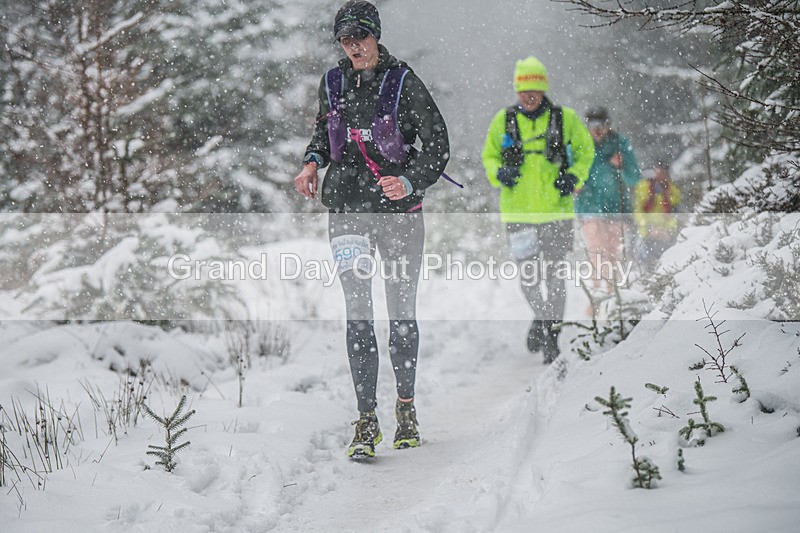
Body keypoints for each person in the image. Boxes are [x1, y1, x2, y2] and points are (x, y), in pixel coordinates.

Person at [293, 1, 449, 459]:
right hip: (346, 211)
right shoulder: (332, 82)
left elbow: (438, 143)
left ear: (375, 36)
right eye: (345, 39)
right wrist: (311, 163)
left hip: (399, 212)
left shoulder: (403, 82)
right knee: (358, 314)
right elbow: (324, 133)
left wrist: (409, 179)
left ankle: (405, 408)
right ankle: (365, 421)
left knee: (401, 314)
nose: (353, 46)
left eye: (360, 37)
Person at [481, 56, 594, 364]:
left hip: (557, 213)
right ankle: (543, 317)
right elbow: (489, 156)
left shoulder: (565, 119)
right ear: (517, 91)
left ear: (543, 89)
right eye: (523, 90)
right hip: (518, 214)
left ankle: (552, 337)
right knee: (530, 278)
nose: (528, 96)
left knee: (555, 278)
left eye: (534, 90)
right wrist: (498, 173)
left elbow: (586, 152)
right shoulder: (503, 120)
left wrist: (574, 176)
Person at [574, 107, 641, 298]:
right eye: (592, 126)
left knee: (613, 253)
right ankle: (598, 295)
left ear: (608, 125)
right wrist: (575, 184)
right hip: (589, 206)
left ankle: (614, 294)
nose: (597, 130)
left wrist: (622, 165)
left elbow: (634, 177)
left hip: (615, 207)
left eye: (601, 125)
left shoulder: (619, 143)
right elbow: (570, 173)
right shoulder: (578, 144)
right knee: (596, 251)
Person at [634, 160, 681, 269]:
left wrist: (667, 229)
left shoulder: (672, 189)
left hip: (665, 231)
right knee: (644, 254)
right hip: (647, 231)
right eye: (658, 171)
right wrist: (648, 226)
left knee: (665, 257)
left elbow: (674, 213)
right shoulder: (643, 187)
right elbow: (638, 211)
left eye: (663, 172)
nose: (660, 175)